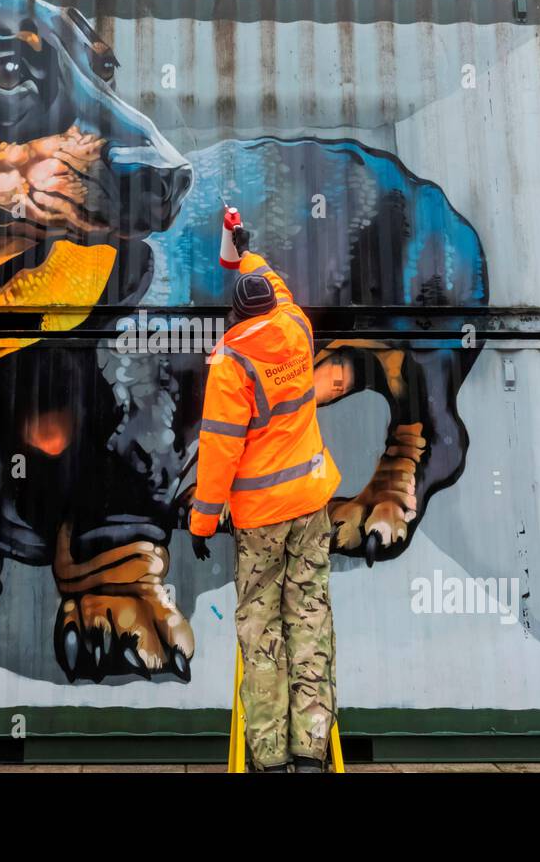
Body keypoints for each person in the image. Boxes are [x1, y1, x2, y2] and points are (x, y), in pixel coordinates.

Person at [189, 225, 341, 773]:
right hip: (311, 504)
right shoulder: (297, 324)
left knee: (262, 629)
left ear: (235, 316)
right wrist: (241, 243)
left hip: (260, 519)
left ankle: (271, 759)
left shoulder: (231, 364)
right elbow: (265, 275)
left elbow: (219, 451)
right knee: (309, 618)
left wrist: (203, 524)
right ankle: (311, 753)